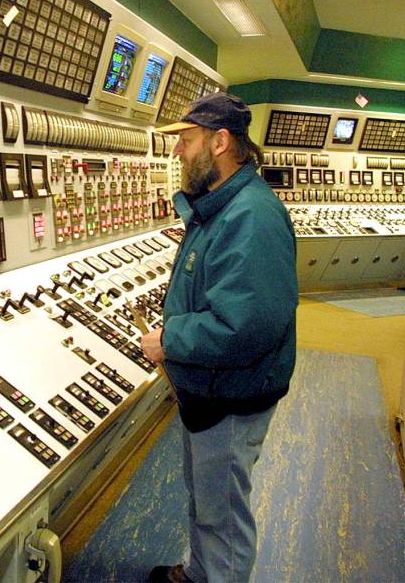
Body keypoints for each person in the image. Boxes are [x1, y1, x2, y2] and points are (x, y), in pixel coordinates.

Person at [141, 92, 297, 583]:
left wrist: (170, 340)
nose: (177, 152)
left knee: (223, 515)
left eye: (186, 140)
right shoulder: (219, 207)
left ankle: (217, 573)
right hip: (209, 391)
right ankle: (200, 572)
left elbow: (244, 326)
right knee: (206, 498)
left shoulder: (250, 216)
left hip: (231, 393)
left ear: (221, 141)